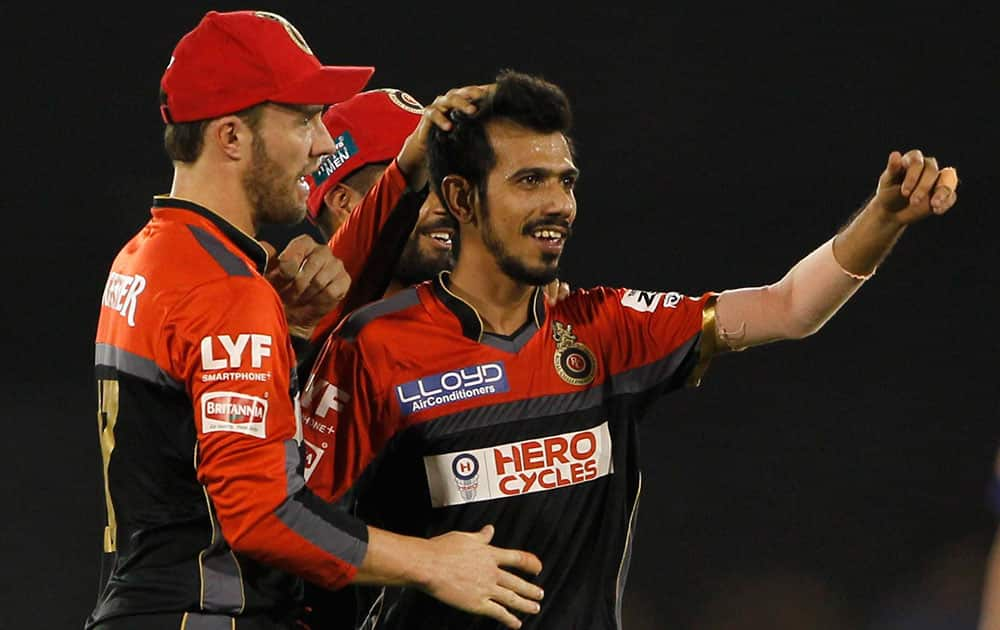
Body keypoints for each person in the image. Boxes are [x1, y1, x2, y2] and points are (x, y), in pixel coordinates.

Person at [299, 69, 960, 628]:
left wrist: (882, 220)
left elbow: (787, 307)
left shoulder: (601, 326)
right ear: (462, 197)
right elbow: (293, 531)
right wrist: (424, 562)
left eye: (567, 181)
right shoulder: (366, 348)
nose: (560, 203)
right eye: (531, 181)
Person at [87, 13, 544, 630]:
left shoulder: (151, 254)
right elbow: (260, 513)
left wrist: (406, 169)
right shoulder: (224, 291)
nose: (325, 142)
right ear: (230, 137)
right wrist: (432, 562)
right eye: (303, 120)